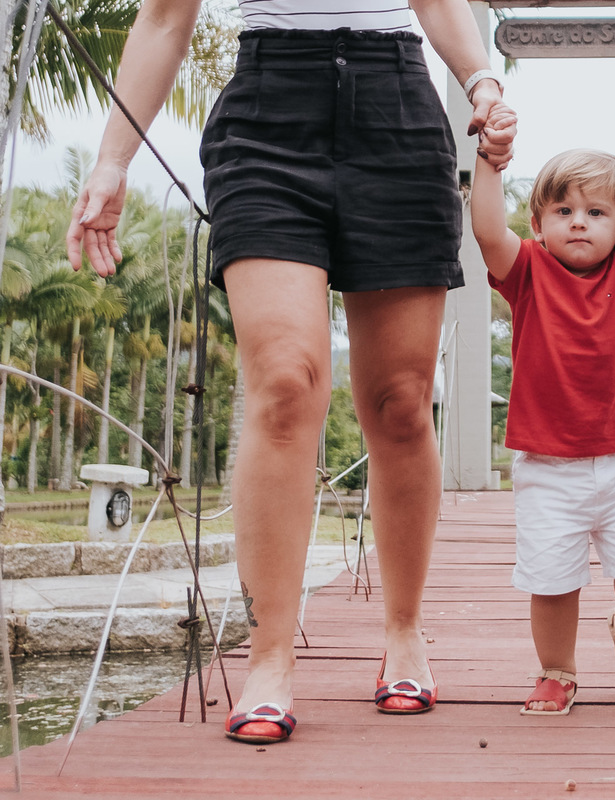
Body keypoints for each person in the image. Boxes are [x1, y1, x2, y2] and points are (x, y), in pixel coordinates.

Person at [67, 0, 513, 744]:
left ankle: (404, 633)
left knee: (402, 402)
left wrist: (482, 82)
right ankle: (268, 658)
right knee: (283, 383)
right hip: (266, 114)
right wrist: (113, 161)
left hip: (398, 109)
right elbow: (164, 19)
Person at [471, 115, 615, 714]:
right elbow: (486, 230)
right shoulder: (526, 273)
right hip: (548, 468)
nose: (579, 221)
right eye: (563, 211)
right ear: (538, 225)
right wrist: (490, 160)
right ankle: (557, 670)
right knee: (552, 580)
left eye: (596, 212)